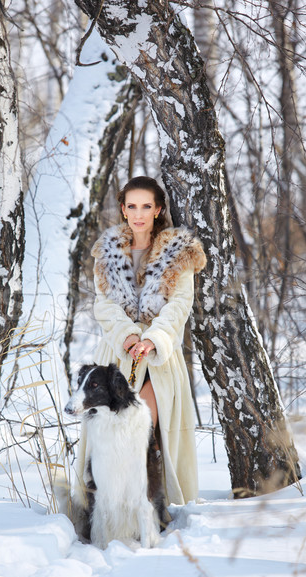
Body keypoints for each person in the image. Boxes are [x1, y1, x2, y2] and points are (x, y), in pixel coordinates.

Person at [73, 176, 207, 511]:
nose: (138, 213)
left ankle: (149, 511)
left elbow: (180, 305)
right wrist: (128, 336)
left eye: (146, 206)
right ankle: (104, 511)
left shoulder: (179, 253)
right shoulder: (106, 254)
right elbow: (103, 305)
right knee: (108, 438)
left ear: (158, 209)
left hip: (160, 360)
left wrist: (151, 339)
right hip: (116, 357)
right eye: (131, 206)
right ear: (122, 208)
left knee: (144, 437)